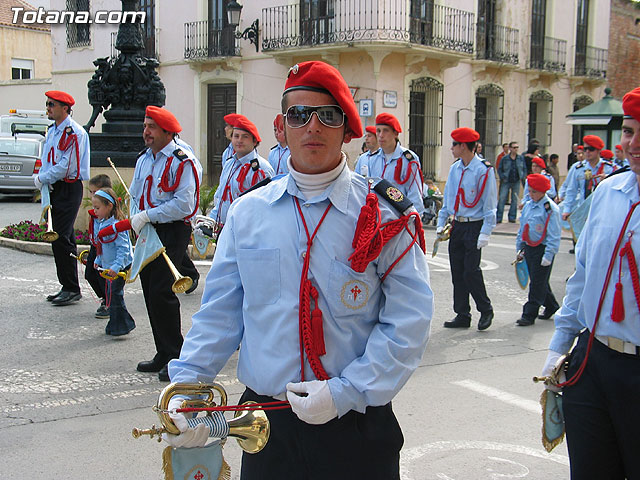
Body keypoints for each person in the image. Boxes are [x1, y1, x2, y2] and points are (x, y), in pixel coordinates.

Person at [165, 60, 433, 479]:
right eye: (298, 115)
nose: (313, 126)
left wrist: (347, 392)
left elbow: (409, 321)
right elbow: (220, 314)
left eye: (328, 115)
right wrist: (188, 387)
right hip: (267, 427)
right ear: (280, 127)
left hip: (355, 424)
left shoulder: (384, 215)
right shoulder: (248, 213)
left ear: (347, 129)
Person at [538, 86, 640, 479]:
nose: (634, 143)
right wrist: (560, 346)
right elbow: (582, 277)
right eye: (629, 131)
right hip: (593, 361)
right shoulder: (609, 193)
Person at [129, 105, 200, 382]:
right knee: (149, 288)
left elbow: (185, 204)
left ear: (167, 132)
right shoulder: (144, 158)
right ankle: (163, 351)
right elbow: (136, 192)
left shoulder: (183, 160)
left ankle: (175, 354)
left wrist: (148, 214)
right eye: (145, 126)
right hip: (148, 228)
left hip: (172, 229)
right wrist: (137, 217)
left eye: (152, 127)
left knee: (162, 289)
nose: (146, 132)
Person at [437, 127, 497, 330]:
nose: (451, 148)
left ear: (464, 146)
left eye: (454, 144)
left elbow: (490, 204)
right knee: (457, 272)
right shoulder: (455, 169)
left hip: (475, 224)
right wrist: (441, 222)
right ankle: (462, 313)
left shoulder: (484, 170)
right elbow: (448, 199)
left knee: (471, 271)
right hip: (458, 224)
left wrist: (486, 232)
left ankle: (486, 309)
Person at [36, 90, 91, 306]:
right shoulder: (53, 131)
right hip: (55, 188)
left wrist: (40, 178)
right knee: (61, 238)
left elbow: (67, 166)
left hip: (69, 187)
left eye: (52, 104)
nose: (48, 108)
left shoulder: (74, 133)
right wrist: (43, 180)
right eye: (47, 103)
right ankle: (67, 285)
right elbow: (48, 161)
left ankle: (71, 287)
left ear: (65, 108)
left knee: (60, 237)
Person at [208, 116, 274, 235]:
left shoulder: (262, 169)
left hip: (249, 232)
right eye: (236, 136)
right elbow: (221, 197)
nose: (239, 140)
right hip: (225, 229)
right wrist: (210, 220)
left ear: (254, 141)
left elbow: (265, 208)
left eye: (245, 137)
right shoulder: (229, 164)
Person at [353, 113, 424, 214]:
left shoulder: (408, 160)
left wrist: (415, 221)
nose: (381, 135)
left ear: (395, 133)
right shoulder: (372, 159)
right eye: (378, 131)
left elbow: (415, 194)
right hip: (375, 219)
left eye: (385, 131)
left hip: (399, 219)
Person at [514, 174, 561, 326]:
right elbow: (523, 228)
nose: (530, 194)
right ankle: (552, 306)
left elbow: (554, 235)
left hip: (543, 249)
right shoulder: (528, 205)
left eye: (534, 191)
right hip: (529, 247)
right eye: (530, 191)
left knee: (537, 283)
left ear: (542, 191)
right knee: (538, 280)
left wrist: (549, 255)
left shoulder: (550, 209)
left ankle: (529, 314)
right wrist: (520, 247)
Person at [92, 188, 135, 336]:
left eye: (98, 208)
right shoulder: (102, 223)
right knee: (111, 295)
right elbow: (102, 246)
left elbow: (123, 249)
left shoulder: (117, 226)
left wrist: (116, 266)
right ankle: (116, 324)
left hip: (119, 267)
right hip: (109, 266)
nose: (95, 211)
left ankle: (122, 325)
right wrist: (98, 260)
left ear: (109, 206)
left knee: (115, 295)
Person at [561, 135, 617, 222]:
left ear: (599, 150)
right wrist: (567, 209)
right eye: (585, 149)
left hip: (603, 211)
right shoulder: (578, 168)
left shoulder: (609, 168)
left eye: (591, 149)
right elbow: (571, 190)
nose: (587, 152)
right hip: (584, 212)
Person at [87, 174, 112, 318]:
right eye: (90, 192)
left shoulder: (109, 211)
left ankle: (109, 303)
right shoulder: (96, 209)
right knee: (90, 274)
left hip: (105, 248)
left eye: (95, 192)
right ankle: (104, 298)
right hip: (95, 246)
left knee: (104, 277)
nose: (92, 196)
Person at [496, 141, 526, 223]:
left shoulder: (520, 158)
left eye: (517, 147)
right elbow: (499, 168)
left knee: (514, 199)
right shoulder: (505, 158)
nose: (516, 149)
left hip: (516, 180)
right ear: (510, 148)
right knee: (502, 198)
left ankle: (512, 217)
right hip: (506, 180)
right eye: (514, 147)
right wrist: (502, 177)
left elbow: (524, 168)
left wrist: (522, 176)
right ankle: (499, 217)